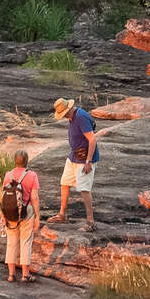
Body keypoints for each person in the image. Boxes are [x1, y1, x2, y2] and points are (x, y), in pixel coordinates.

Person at [48, 97, 98, 230]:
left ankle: (90, 222)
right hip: (74, 156)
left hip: (85, 159)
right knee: (64, 183)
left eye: (64, 114)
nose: (63, 117)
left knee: (84, 189)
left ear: (69, 109)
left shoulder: (80, 117)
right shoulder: (72, 117)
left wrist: (88, 161)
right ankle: (62, 215)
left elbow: (92, 140)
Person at [0, 150, 39, 282]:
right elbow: (34, 198)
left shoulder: (8, 175)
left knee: (11, 243)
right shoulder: (32, 175)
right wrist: (38, 216)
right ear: (26, 161)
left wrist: (3, 215)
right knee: (25, 242)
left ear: (15, 161)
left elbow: (4, 197)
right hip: (26, 211)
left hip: (10, 211)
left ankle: (11, 275)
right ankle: (25, 275)